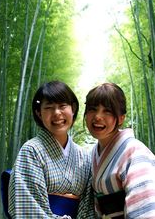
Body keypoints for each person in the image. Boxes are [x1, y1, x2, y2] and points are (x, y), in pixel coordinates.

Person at [9, 81, 95, 218]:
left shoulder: (85, 156)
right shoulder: (31, 151)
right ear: (38, 113)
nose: (56, 113)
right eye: (49, 107)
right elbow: (28, 208)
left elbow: (89, 206)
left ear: (73, 109)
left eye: (62, 106)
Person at [84, 83, 155, 218]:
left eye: (107, 111)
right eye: (92, 109)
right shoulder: (93, 154)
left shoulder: (135, 154)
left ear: (121, 118)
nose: (98, 117)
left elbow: (148, 212)